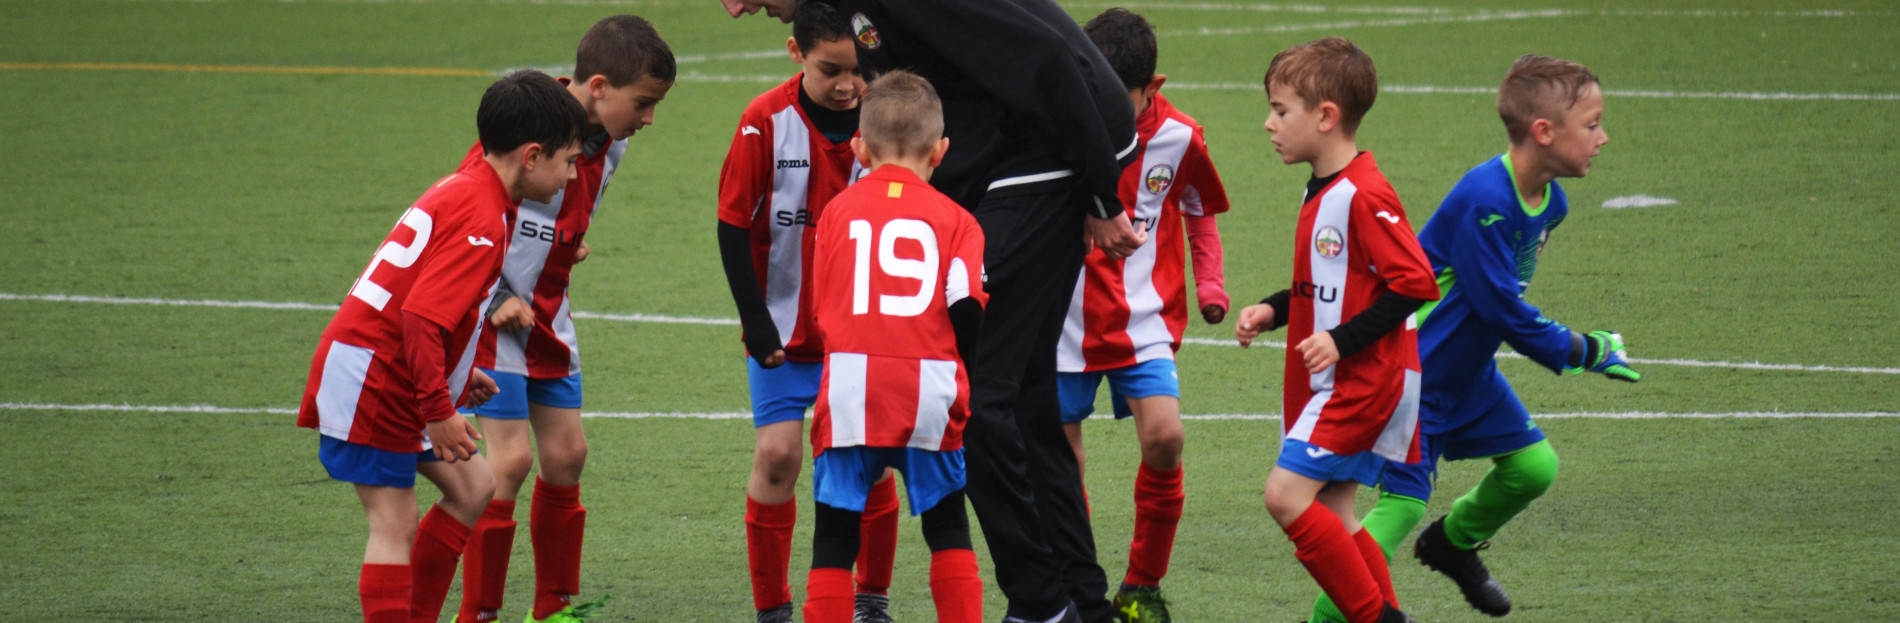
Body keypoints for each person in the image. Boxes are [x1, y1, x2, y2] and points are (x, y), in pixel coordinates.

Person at [720, 1, 1144, 620]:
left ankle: (1041, 603)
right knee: (1024, 398)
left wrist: (1099, 189)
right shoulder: (860, 11)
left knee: (972, 397)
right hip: (1034, 156)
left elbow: (1049, 56)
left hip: (1052, 153)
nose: (736, 8)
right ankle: (1080, 602)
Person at [1304, 54, 1636, 623]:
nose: (1603, 137)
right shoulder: (1487, 199)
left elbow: (1496, 307)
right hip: (1416, 375)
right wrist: (1584, 350)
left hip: (1469, 373)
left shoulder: (1551, 203)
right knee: (1397, 513)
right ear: (1544, 132)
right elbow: (1500, 308)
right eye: (1593, 124)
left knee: (1533, 470)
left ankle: (1451, 545)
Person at [296, 69, 589, 623]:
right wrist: (438, 410)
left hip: (397, 371)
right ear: (531, 156)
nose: (573, 176)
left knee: (475, 483)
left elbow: (460, 308)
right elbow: (421, 320)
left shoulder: (477, 187)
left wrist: (464, 373)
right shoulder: (483, 216)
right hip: (376, 377)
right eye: (569, 161)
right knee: (395, 524)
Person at [452, 16, 675, 623]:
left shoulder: (614, 142)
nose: (649, 118)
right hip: (496, 317)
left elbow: (564, 214)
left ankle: (552, 609)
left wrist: (566, 244)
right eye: (644, 103)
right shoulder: (528, 127)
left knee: (568, 455)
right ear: (598, 87)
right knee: (510, 462)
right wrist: (497, 293)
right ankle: (477, 612)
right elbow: (470, 206)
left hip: (549, 314)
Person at [1231, 37, 1438, 623]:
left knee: (1286, 496)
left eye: (1280, 110)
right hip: (1342, 376)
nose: (1268, 123)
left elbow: (1416, 282)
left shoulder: (1363, 193)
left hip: (1361, 379)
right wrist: (1275, 310)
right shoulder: (1324, 186)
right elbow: (1334, 282)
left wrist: (1341, 341)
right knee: (1340, 513)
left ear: (1326, 117)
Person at [712, 4, 902, 623]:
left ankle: (871, 600)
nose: (849, 84)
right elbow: (733, 226)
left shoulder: (886, 124)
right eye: (831, 70)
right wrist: (756, 321)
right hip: (782, 329)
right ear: (797, 56)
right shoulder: (763, 122)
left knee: (868, 460)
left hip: (863, 329)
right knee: (778, 456)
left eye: (858, 70)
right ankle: (773, 608)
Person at [1056, 9, 1231, 622]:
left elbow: (1198, 205)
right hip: (1062, 320)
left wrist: (1209, 281)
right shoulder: (1056, 124)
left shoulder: (1181, 136)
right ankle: (1075, 591)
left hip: (1144, 319)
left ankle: (1141, 585)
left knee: (1165, 437)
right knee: (1060, 461)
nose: (1099, 109)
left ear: (1152, 88)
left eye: (1116, 98)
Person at [801, 68, 989, 623]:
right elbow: (967, 308)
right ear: (941, 151)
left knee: (834, 536)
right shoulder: (959, 220)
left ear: (858, 147)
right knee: (948, 527)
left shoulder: (836, 213)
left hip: (852, 386)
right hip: (929, 385)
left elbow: (821, 309)